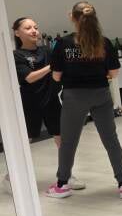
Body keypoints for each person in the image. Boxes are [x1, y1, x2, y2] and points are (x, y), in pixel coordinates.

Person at [48, 2, 122, 199]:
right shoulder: (104, 42)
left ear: (72, 17)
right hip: (101, 94)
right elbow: (114, 72)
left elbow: (56, 76)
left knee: (68, 142)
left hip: (73, 97)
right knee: (111, 140)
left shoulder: (64, 43)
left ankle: (62, 185)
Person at [10, 17, 84, 192]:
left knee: (62, 141)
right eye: (28, 28)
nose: (34, 30)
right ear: (17, 33)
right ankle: (11, 178)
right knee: (25, 142)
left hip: (51, 101)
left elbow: (60, 69)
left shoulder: (47, 51)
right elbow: (29, 77)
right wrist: (52, 66)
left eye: (36, 27)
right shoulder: (16, 55)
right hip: (29, 104)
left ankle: (66, 176)